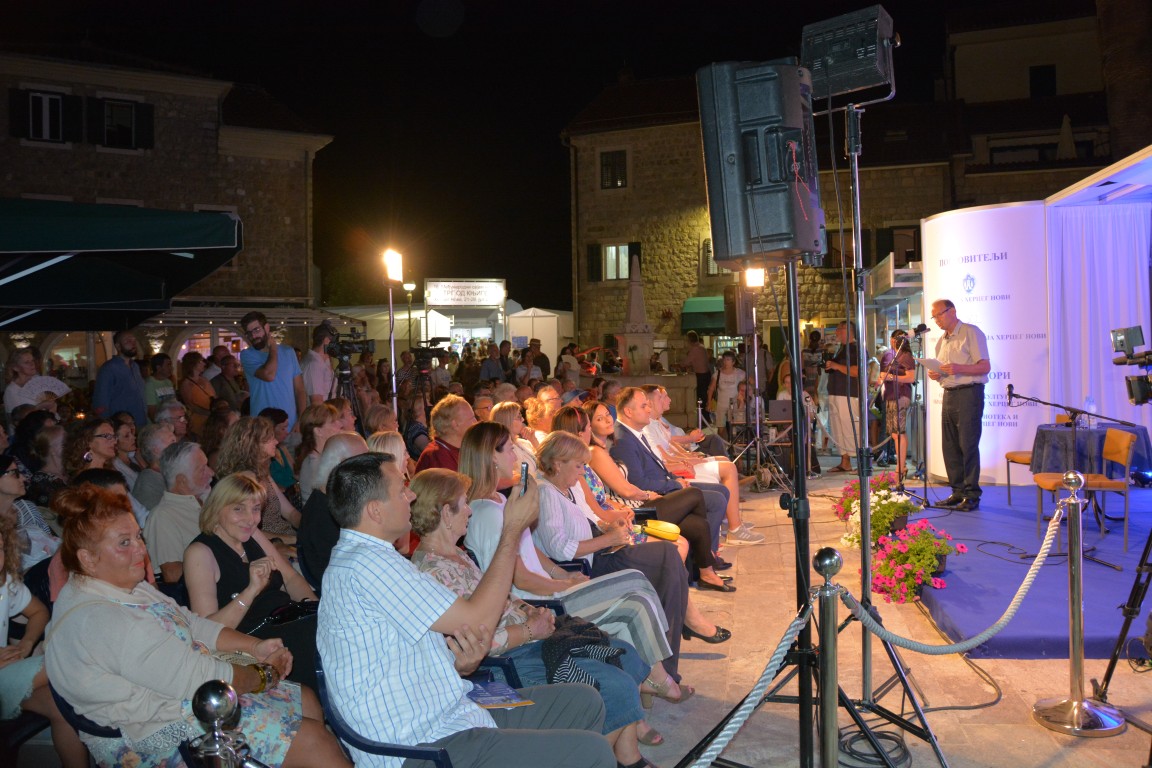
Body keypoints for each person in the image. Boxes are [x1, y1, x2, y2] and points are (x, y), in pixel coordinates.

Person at [317, 452, 616, 768]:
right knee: (593, 752)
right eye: (401, 490)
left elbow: (403, 655)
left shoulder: (378, 560)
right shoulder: (366, 566)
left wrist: (458, 665)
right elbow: (478, 621)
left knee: (583, 702)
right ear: (375, 510)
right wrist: (512, 529)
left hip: (455, 713)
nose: (411, 495)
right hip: (422, 748)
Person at [44, 484, 350, 768]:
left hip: (188, 696)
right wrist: (265, 673)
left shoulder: (125, 586)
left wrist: (254, 646)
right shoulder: (102, 621)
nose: (140, 549)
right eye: (125, 543)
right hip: (156, 732)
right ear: (87, 559)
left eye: (138, 536)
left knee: (306, 699)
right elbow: (199, 678)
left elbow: (191, 622)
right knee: (315, 742)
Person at [410, 469, 653, 767]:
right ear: (446, 513)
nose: (470, 510)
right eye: (464, 503)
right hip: (506, 662)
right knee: (614, 685)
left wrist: (529, 609)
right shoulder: (431, 573)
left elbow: (501, 596)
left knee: (624, 654)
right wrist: (529, 629)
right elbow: (469, 640)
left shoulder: (456, 556)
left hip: (529, 643)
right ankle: (599, 757)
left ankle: (626, 755)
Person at [183, 472, 319, 688]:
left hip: (288, 618)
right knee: (317, 640)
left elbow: (291, 578)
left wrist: (315, 609)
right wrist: (251, 590)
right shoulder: (200, 552)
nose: (250, 518)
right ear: (217, 508)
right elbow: (207, 631)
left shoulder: (251, 534)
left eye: (255, 509)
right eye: (238, 509)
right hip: (255, 638)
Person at [0, 519, 88, 768]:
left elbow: (38, 612)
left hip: (6, 672)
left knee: (63, 708)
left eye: (0, 548)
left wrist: (26, 644)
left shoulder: (5, 582)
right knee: (65, 661)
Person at [928, 299, 990, 511]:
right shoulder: (941, 341)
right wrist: (936, 374)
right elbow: (946, 370)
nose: (936, 320)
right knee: (950, 445)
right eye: (934, 317)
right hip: (949, 394)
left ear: (952, 311)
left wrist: (959, 368)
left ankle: (971, 495)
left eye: (939, 315)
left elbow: (985, 367)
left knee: (968, 444)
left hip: (968, 394)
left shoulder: (971, 332)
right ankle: (957, 492)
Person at [296, 432, 368, 583]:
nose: (369, 469)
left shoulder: (326, 499)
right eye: (362, 463)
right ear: (341, 466)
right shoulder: (325, 513)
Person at [143, 441, 215, 583]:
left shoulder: (208, 500)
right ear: (181, 481)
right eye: (202, 469)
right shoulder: (163, 516)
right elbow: (173, 574)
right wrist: (223, 565)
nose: (211, 473)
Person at [217, 416, 300, 536]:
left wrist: (308, 527)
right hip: (275, 541)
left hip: (286, 535)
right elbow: (250, 531)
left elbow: (290, 513)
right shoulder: (243, 480)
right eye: (270, 438)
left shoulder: (263, 474)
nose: (276, 442)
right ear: (254, 444)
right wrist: (296, 540)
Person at [239, 310, 306, 431]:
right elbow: (269, 375)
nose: (253, 336)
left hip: (289, 426)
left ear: (267, 327)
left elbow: (300, 389)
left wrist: (301, 419)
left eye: (256, 330)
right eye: (249, 333)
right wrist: (274, 349)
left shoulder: (288, 352)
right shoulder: (247, 355)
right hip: (262, 427)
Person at [878, 330, 917, 482]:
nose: (894, 341)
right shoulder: (888, 355)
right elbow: (882, 375)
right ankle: (901, 465)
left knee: (899, 432)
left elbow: (911, 377)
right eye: (894, 338)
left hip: (901, 395)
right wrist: (881, 379)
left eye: (898, 339)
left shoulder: (906, 356)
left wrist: (891, 377)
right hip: (889, 395)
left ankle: (900, 468)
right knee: (894, 433)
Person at [825, 321, 862, 473]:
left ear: (849, 330)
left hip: (848, 394)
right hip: (835, 392)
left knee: (850, 427)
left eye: (840, 329)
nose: (837, 332)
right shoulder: (841, 348)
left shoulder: (856, 348)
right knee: (838, 429)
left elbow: (857, 371)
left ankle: (860, 462)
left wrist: (836, 366)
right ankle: (845, 462)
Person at [91, 330, 147, 427]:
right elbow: (100, 401)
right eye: (128, 341)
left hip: (140, 423)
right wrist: (109, 425)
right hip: (121, 426)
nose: (133, 343)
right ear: (118, 346)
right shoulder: (109, 368)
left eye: (134, 340)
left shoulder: (135, 366)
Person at [3, 347, 71, 421]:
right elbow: (15, 421)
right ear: (16, 368)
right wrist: (39, 406)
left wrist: (52, 407)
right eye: (27, 362)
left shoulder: (37, 381)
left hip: (47, 424)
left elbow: (49, 411)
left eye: (32, 360)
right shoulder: (12, 390)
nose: (32, 364)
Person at [294, 403, 341, 506]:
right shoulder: (314, 463)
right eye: (333, 422)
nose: (340, 424)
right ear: (318, 431)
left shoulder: (322, 456)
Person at [414, 393, 476, 472]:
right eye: (472, 418)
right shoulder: (438, 457)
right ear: (455, 424)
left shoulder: (453, 449)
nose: (476, 422)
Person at [177, 351, 216, 438]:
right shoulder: (186, 384)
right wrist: (208, 412)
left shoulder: (204, 380)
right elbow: (191, 405)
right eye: (200, 362)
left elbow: (214, 395)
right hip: (198, 420)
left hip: (210, 418)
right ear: (193, 364)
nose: (204, 364)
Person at [706, 351, 745, 430]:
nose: (725, 362)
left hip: (735, 404)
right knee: (721, 429)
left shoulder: (740, 373)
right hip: (721, 405)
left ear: (733, 362)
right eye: (724, 359)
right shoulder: (718, 374)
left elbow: (750, 383)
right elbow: (711, 389)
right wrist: (709, 403)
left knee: (734, 428)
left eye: (728, 359)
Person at [301, 322, 336, 405]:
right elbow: (316, 401)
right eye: (334, 341)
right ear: (326, 340)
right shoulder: (314, 365)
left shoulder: (325, 360)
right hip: (325, 410)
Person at [679, 331, 711, 420]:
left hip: (701, 375)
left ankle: (703, 419)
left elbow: (686, 362)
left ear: (689, 340)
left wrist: (679, 364)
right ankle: (705, 418)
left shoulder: (695, 349)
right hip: (706, 374)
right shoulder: (701, 347)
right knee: (704, 397)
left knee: (700, 397)